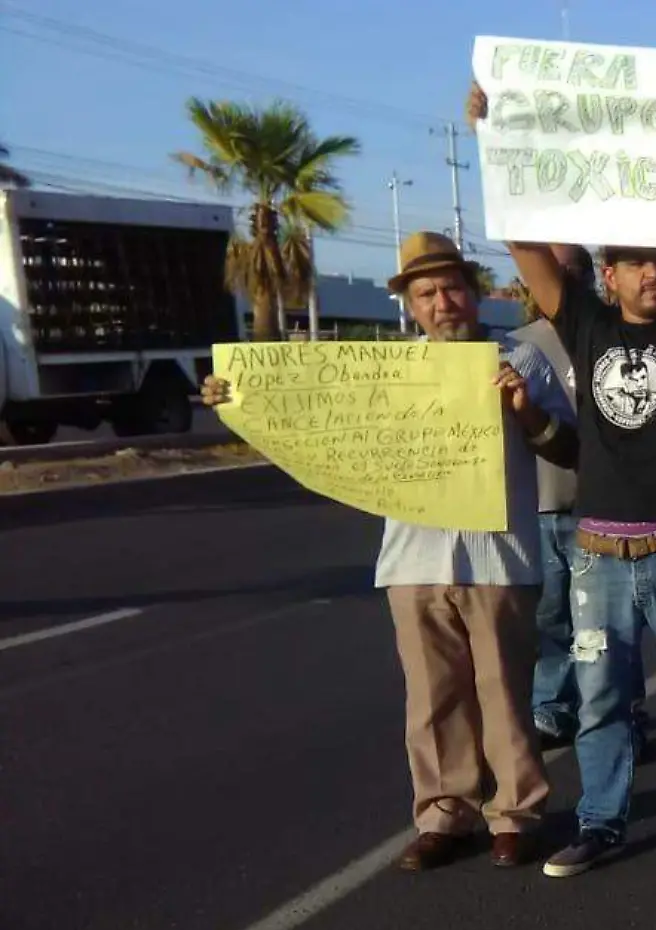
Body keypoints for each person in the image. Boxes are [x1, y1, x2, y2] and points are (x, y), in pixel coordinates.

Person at [202, 232, 576, 871]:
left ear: (472, 291)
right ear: (411, 304)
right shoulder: (388, 372)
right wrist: (239, 397)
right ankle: (444, 814)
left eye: (452, 287)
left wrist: (525, 413)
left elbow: (567, 451)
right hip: (414, 559)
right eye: (426, 293)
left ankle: (515, 814)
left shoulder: (523, 360)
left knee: (505, 692)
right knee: (432, 700)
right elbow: (314, 417)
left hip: (498, 559)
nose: (442, 302)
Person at [472, 81, 656, 884]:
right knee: (598, 702)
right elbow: (527, 249)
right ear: (609, 275)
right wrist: (496, 140)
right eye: (639, 264)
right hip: (597, 557)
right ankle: (599, 824)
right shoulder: (586, 324)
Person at [513, 244, 595, 749]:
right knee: (551, 620)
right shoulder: (518, 346)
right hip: (542, 505)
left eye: (572, 271)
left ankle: (621, 711)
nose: (561, 279)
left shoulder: (611, 337)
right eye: (553, 270)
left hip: (603, 510)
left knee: (605, 624)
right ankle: (552, 709)